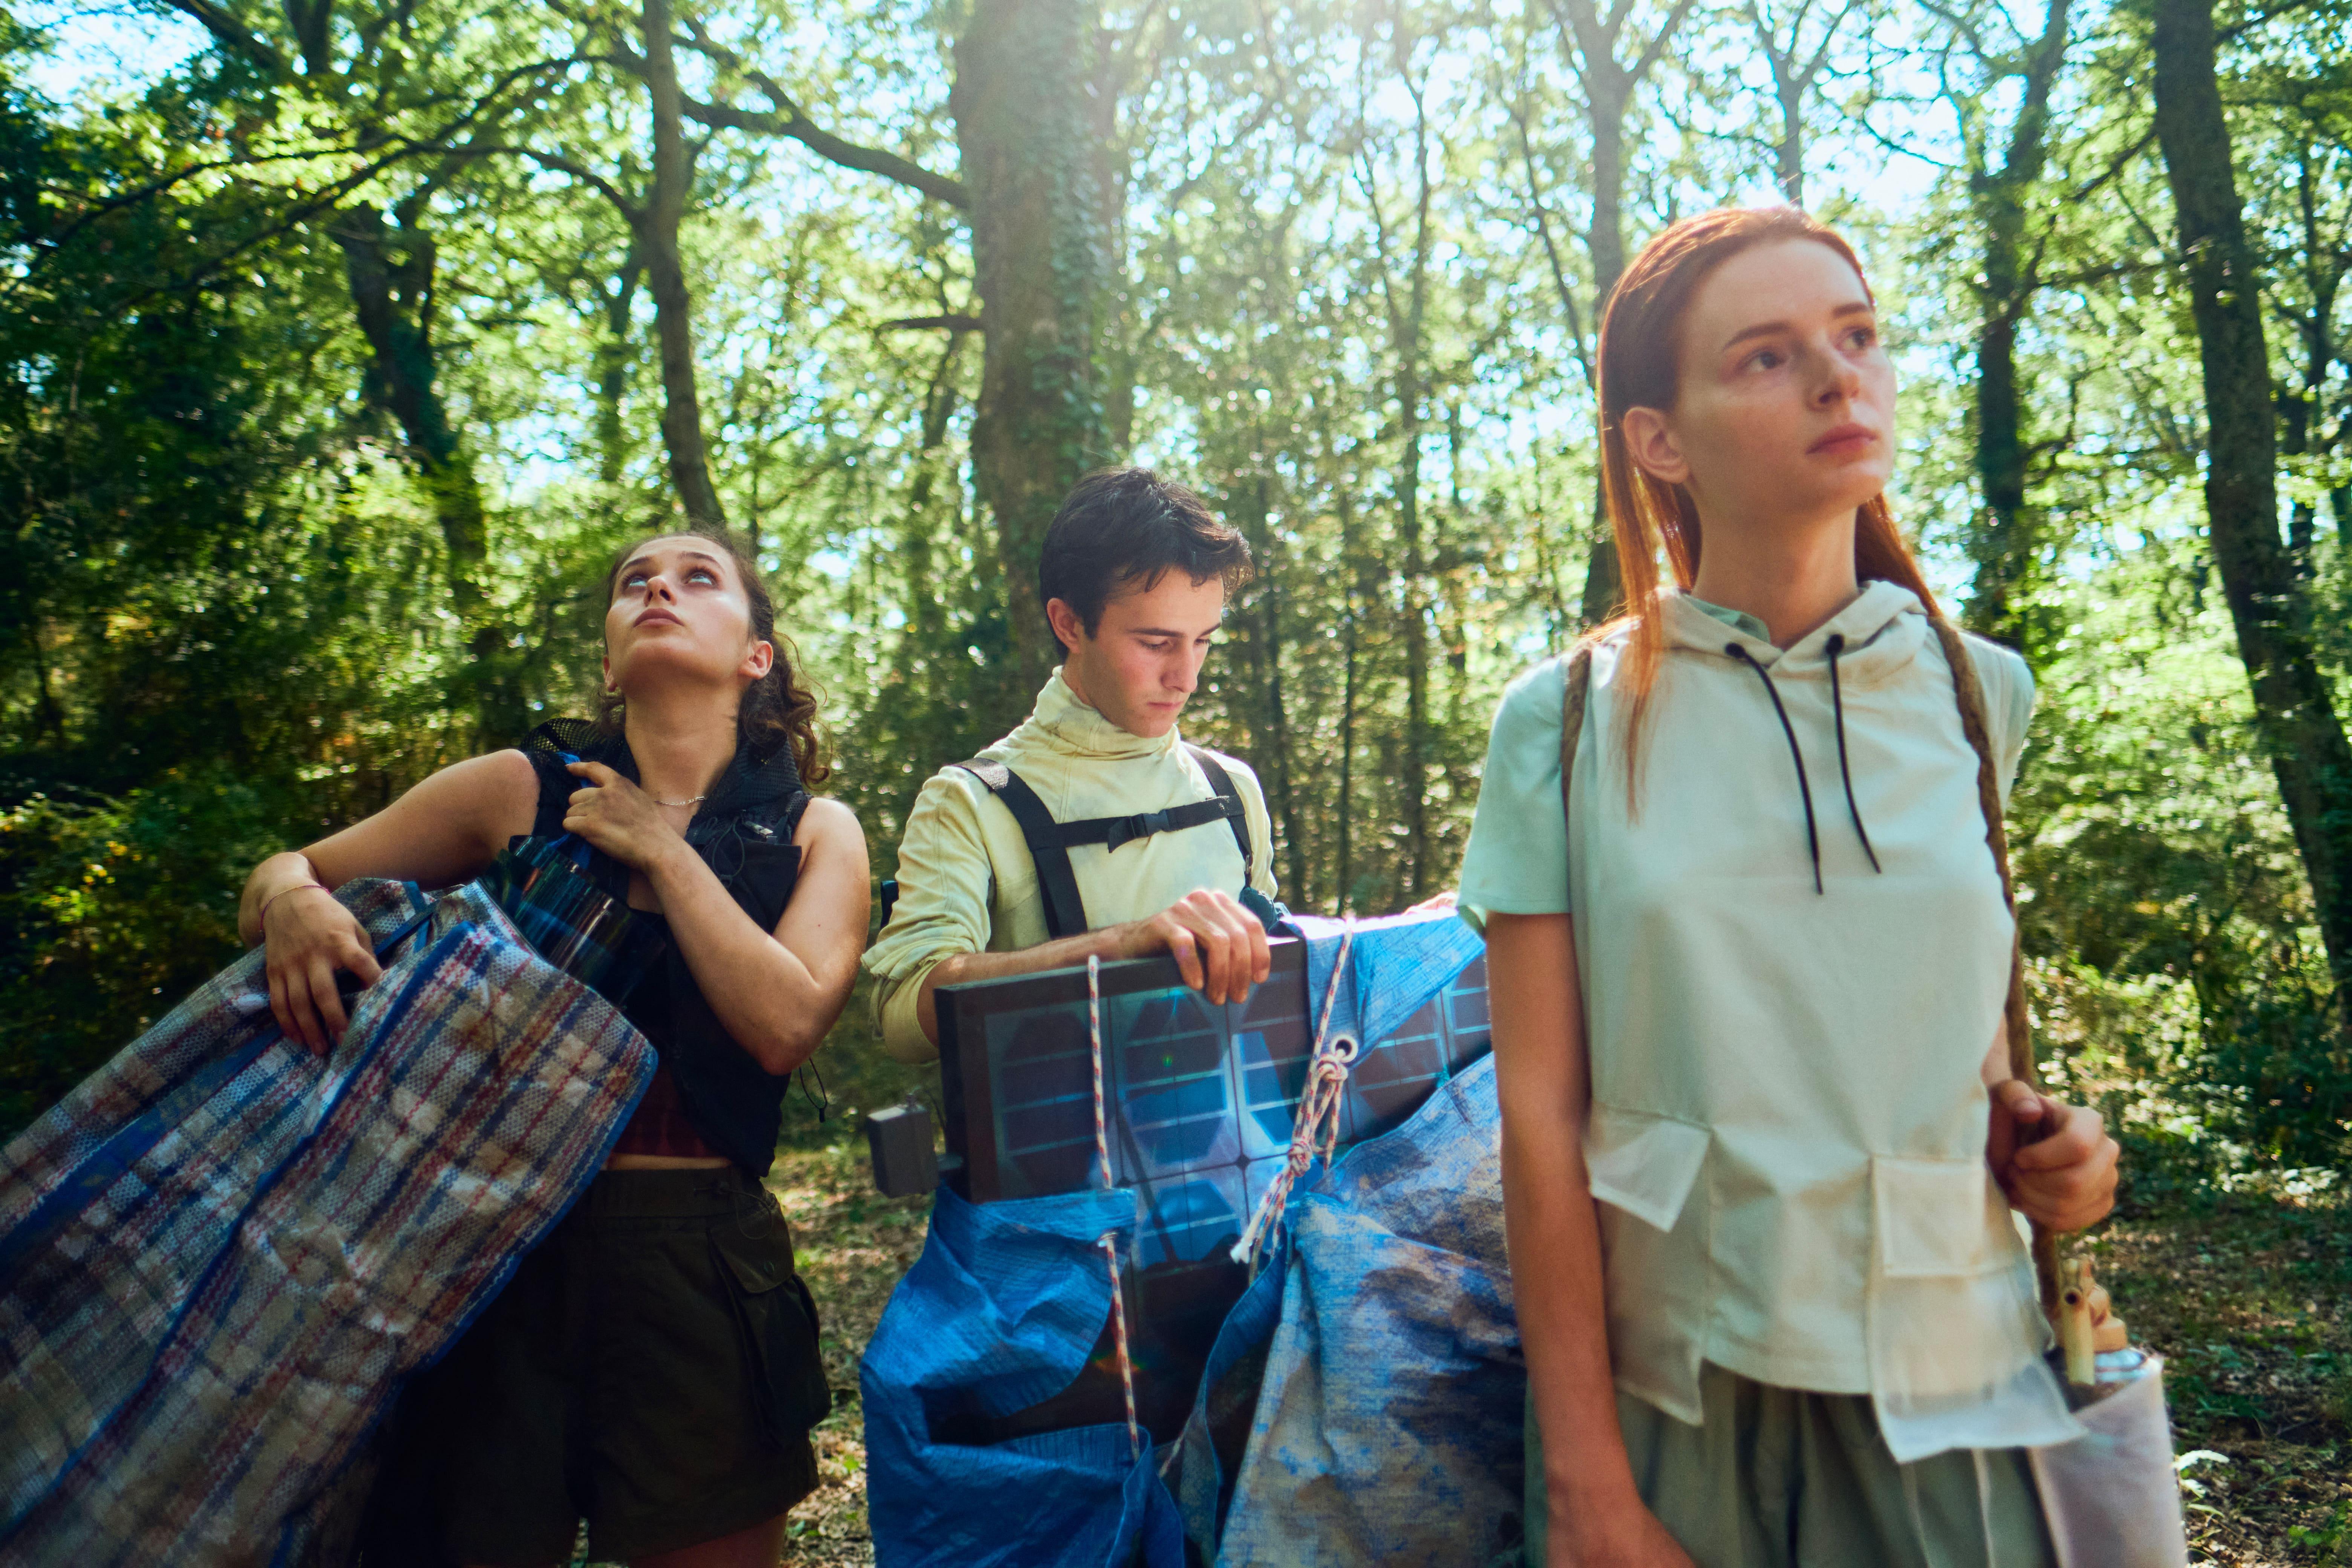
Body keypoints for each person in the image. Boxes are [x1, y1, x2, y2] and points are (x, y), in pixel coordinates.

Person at [1460, 208, 2122, 1568]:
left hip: (1956, 1368)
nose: (1840, 378)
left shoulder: (1975, 690)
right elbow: (1538, 1118)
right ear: (1660, 439)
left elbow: (1966, 1037)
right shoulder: (1567, 721)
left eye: (1859, 336)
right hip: (1674, 1391)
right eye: (1767, 357)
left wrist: (2064, 1155)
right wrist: (1587, 1485)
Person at [237, 530, 868, 1568]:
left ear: (758, 656)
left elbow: (787, 1023)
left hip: (697, 1261)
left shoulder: (816, 829)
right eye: (635, 584)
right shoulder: (516, 791)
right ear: (613, 660)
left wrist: (660, 848)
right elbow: (287, 871)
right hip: (483, 1244)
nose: (659, 587)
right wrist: (295, 899)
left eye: (697, 578)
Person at [865, 466, 1279, 1065]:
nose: (1186, 677)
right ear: (1069, 624)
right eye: (1157, 644)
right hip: (1062, 1152)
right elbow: (903, 1018)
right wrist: (1116, 948)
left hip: (1244, 1150)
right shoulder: (970, 801)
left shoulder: (1232, 788)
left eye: (1203, 641)